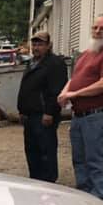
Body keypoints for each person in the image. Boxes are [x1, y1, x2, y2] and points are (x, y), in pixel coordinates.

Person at [58, 13, 103, 203]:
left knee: (96, 158)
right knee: (79, 158)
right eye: (95, 27)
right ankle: (85, 194)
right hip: (79, 116)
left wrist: (75, 95)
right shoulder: (86, 54)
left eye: (102, 28)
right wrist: (64, 93)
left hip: (97, 116)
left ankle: (100, 197)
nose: (97, 31)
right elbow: (73, 79)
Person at [17, 31, 67, 182]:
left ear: (48, 46)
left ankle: (49, 182)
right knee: (32, 152)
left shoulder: (55, 64)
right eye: (34, 44)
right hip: (29, 116)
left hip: (43, 116)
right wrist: (22, 110)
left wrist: (50, 112)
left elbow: (56, 91)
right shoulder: (32, 63)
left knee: (46, 151)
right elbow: (26, 89)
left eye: (40, 44)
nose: (36, 47)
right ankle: (36, 181)